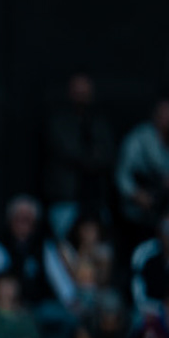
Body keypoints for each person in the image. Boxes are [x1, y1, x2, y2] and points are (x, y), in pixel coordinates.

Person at [43, 72, 116, 235]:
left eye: (85, 90)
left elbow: (108, 155)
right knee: (65, 252)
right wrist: (91, 156)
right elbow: (68, 151)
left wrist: (89, 157)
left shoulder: (100, 121)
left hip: (96, 198)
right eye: (78, 89)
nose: (81, 94)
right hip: (66, 197)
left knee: (97, 250)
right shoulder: (58, 120)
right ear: (69, 91)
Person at [116, 94, 169, 249]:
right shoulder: (139, 138)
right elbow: (122, 173)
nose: (166, 119)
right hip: (139, 211)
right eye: (162, 114)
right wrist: (135, 194)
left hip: (168, 209)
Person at [0, 195, 73, 309]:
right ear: (11, 220)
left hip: (39, 305)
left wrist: (71, 301)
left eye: (27, 219)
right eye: (18, 218)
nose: (22, 224)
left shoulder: (43, 244)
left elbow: (59, 278)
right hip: (10, 308)